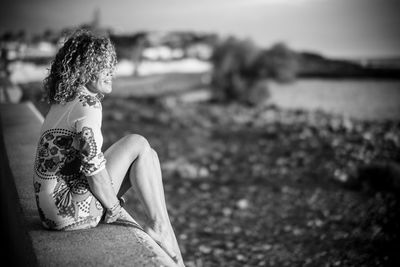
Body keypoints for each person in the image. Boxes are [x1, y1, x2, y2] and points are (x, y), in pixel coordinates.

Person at [33, 29, 184, 266]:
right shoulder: (87, 105)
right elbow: (93, 170)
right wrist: (113, 207)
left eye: (111, 64)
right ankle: (160, 228)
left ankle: (168, 239)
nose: (111, 71)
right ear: (86, 69)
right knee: (138, 142)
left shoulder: (64, 102)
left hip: (50, 213)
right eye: (104, 65)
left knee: (148, 156)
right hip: (69, 211)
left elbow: (85, 163)